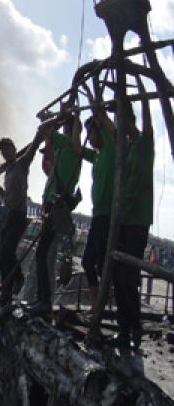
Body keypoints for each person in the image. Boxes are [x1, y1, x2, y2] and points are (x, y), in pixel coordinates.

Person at [110, 97, 155, 348]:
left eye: (122, 120)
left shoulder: (144, 142)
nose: (120, 125)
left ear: (131, 121)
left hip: (138, 219)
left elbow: (147, 119)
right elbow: (109, 129)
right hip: (123, 217)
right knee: (117, 276)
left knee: (129, 277)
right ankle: (124, 329)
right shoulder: (124, 148)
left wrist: (141, 95)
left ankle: (134, 328)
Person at [31, 116, 83, 314]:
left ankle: (43, 300)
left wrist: (59, 118)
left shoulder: (67, 145)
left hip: (56, 206)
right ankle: (43, 298)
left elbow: (43, 127)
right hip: (57, 205)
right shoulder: (71, 151)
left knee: (42, 253)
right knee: (43, 253)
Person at [0, 128, 43, 303]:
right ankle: (6, 290)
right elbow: (7, 197)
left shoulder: (21, 164)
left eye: (7, 149)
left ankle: (18, 279)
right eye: (2, 150)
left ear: (13, 149)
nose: (4, 152)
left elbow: (34, 147)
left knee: (8, 250)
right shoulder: (7, 171)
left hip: (18, 216)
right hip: (7, 216)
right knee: (3, 255)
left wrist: (39, 132)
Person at [81, 108, 116, 304]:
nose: (89, 138)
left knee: (102, 263)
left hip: (107, 215)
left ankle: (102, 303)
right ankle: (96, 303)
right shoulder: (97, 156)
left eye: (91, 133)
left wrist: (97, 107)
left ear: (100, 132)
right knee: (87, 261)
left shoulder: (111, 149)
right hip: (97, 215)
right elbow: (77, 149)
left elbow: (106, 123)